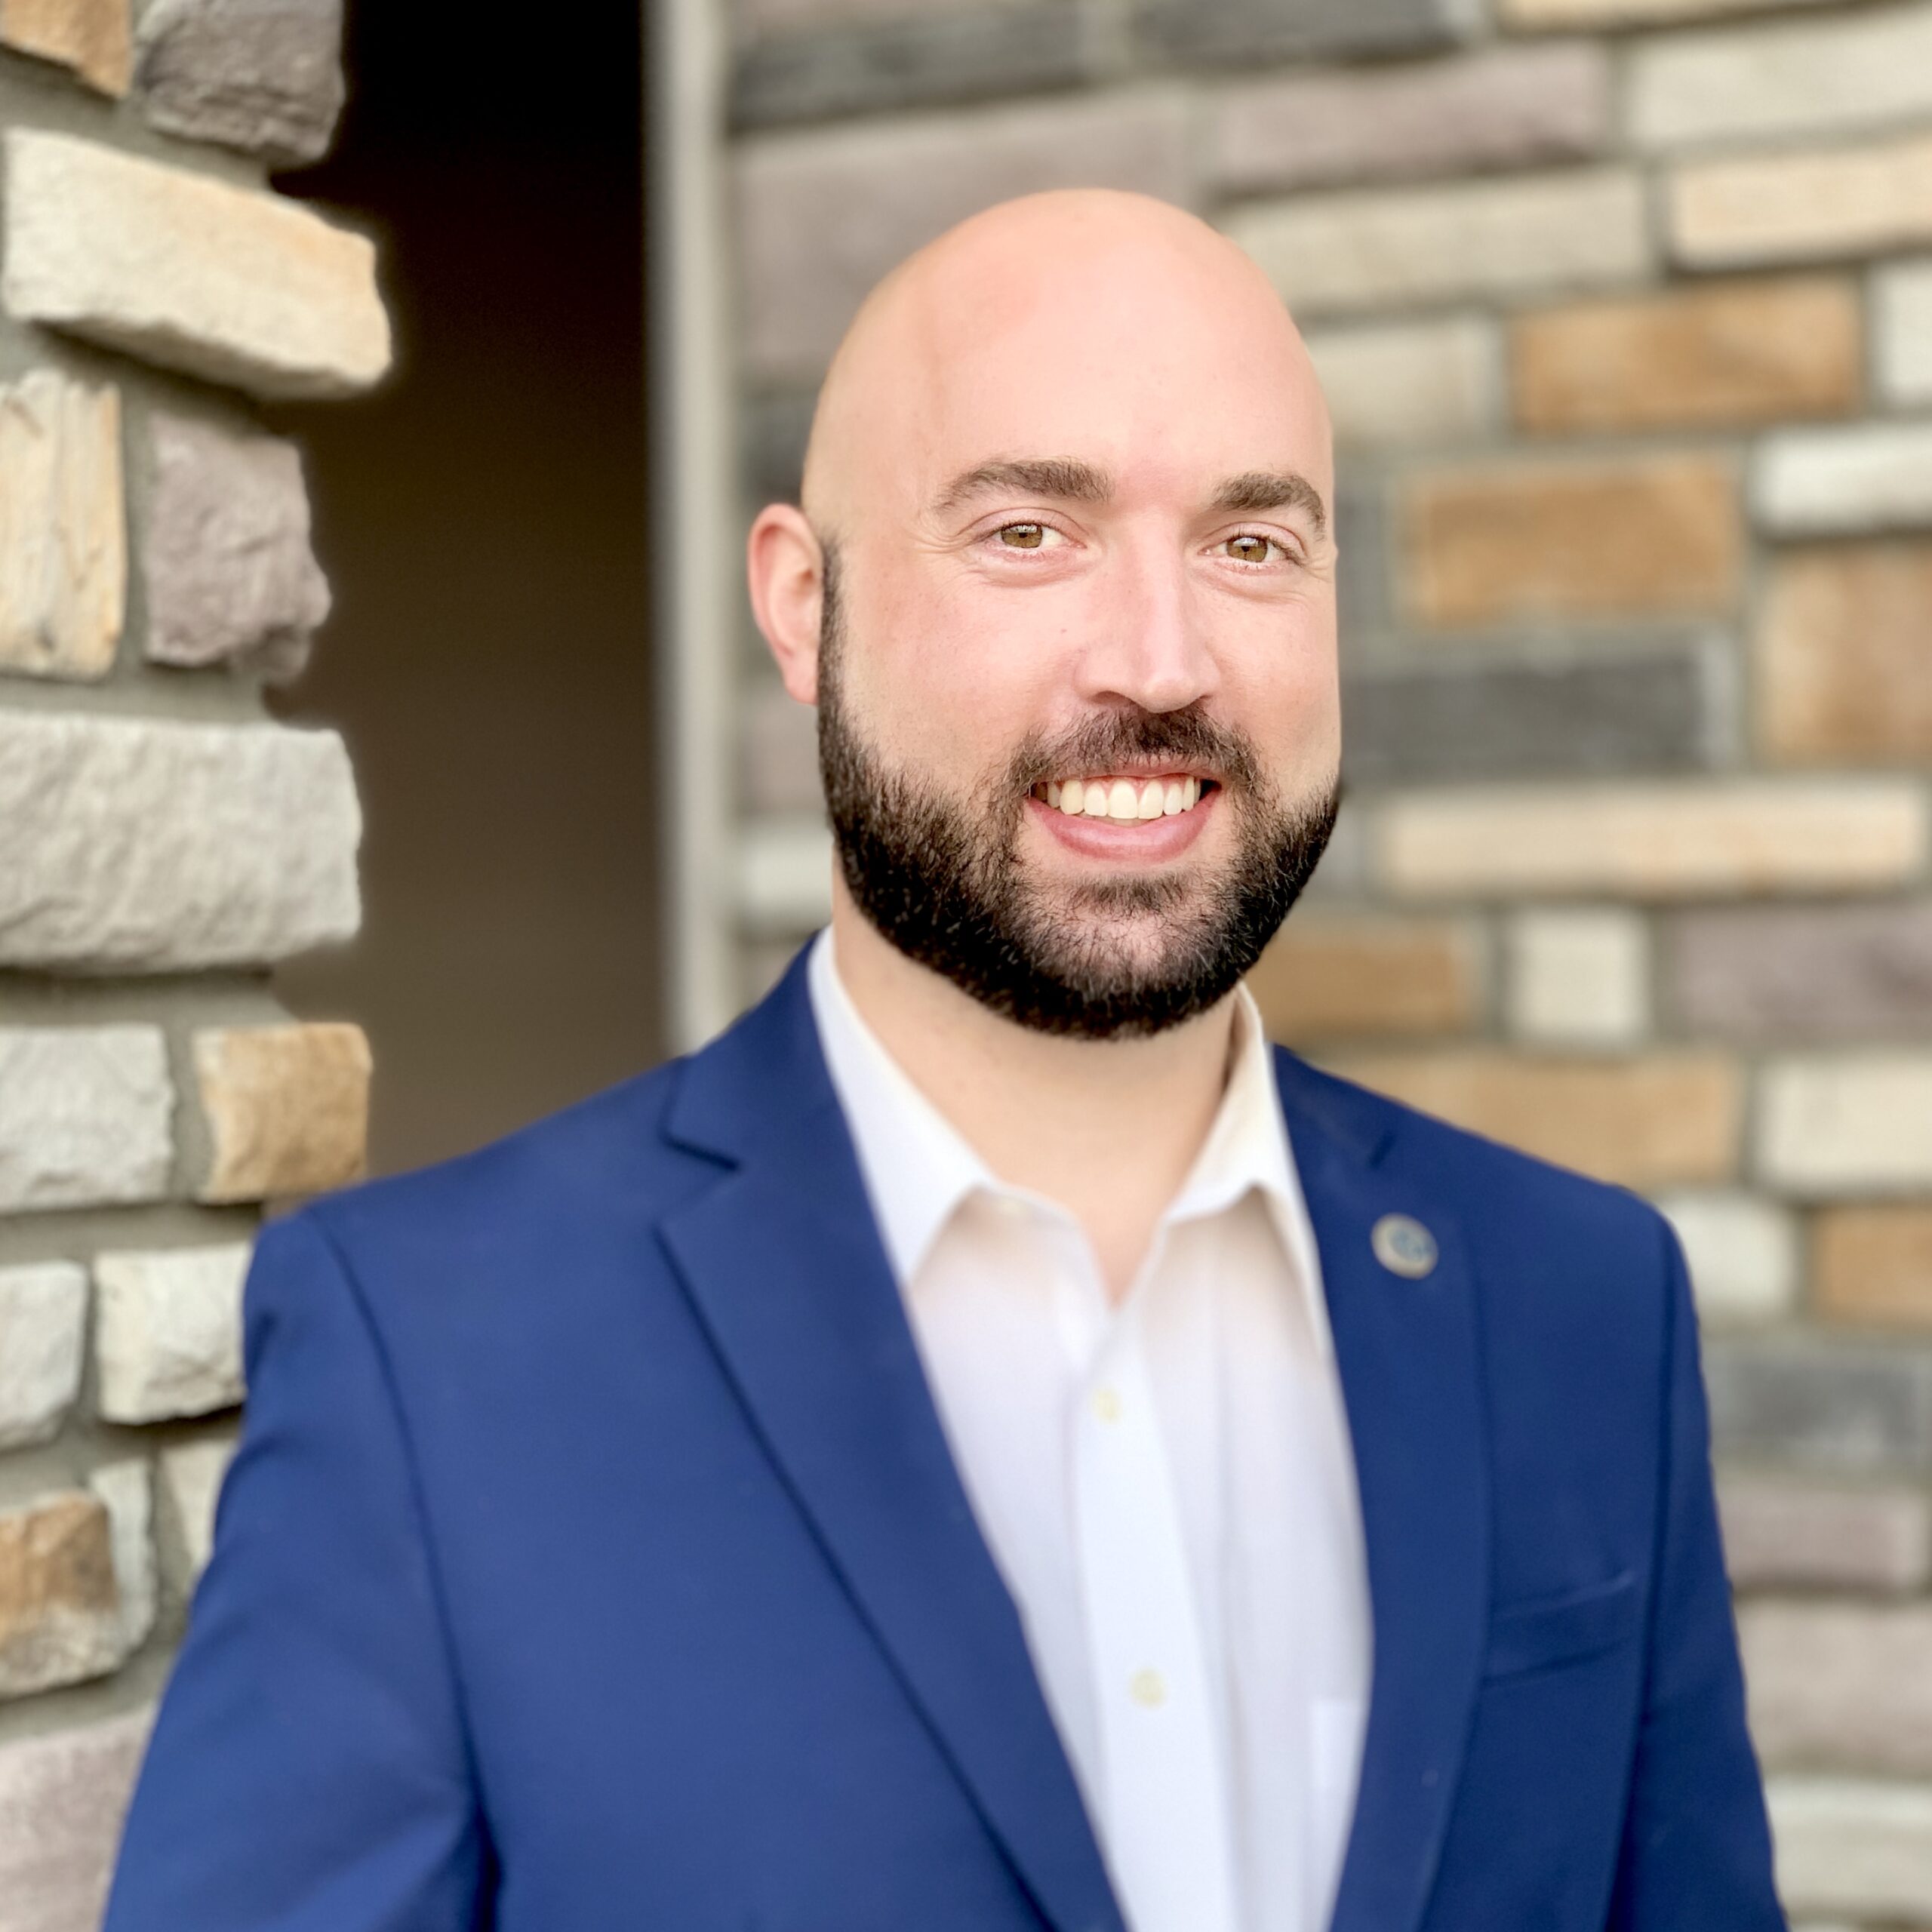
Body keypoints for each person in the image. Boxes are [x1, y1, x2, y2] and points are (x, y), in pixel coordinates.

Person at [103, 191, 1786, 1932]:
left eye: (1249, 544)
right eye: (1028, 532)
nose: (1158, 659)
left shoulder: (1582, 1307)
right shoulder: (429, 1357)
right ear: (798, 603)